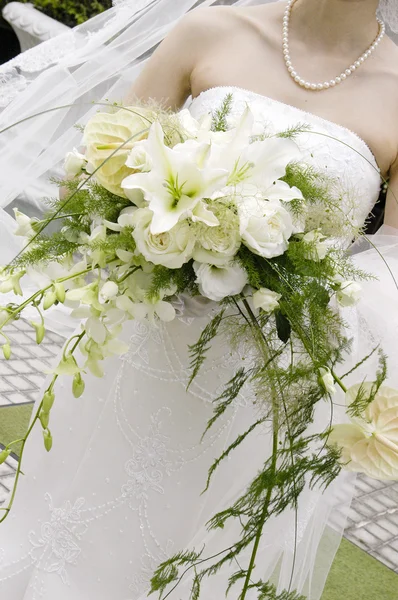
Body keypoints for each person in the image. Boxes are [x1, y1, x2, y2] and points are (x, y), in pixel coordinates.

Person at [0, 1, 397, 599]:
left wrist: (308, 292)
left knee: (204, 542)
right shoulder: (211, 29)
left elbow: (391, 257)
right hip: (144, 341)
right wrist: (149, 232)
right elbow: (96, 167)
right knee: (87, 517)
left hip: (268, 381)